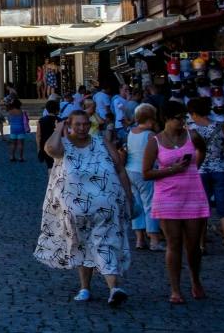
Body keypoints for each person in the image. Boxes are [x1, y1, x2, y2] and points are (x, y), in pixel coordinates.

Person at [35, 107, 135, 305]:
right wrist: (59, 128)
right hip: (75, 211)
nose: (82, 128)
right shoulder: (63, 145)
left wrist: (129, 197)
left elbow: (119, 169)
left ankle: (114, 288)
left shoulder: (101, 141)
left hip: (105, 208)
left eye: (85, 124)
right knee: (81, 246)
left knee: (105, 244)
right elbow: (50, 150)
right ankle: (85, 287)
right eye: (77, 124)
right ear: (69, 126)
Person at [145, 102, 209, 304]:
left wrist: (193, 168)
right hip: (167, 197)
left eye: (184, 118)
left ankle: (195, 279)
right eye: (178, 118)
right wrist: (172, 170)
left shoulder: (193, 136)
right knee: (174, 243)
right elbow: (146, 172)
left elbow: (202, 151)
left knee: (193, 245)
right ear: (167, 119)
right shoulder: (155, 141)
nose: (182, 122)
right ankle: (175, 288)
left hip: (192, 194)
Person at [187, 96, 224, 258]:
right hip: (221, 170)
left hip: (199, 171)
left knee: (202, 210)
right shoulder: (220, 126)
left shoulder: (191, 129)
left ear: (193, 113)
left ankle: (201, 245)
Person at [124, 102, 159, 251]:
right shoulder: (150, 135)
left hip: (130, 171)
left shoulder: (131, 132)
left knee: (137, 203)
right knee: (150, 204)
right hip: (144, 172)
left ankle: (139, 239)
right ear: (151, 119)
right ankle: (154, 240)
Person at [3, 94, 31, 163]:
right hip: (21, 128)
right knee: (21, 144)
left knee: (13, 144)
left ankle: (12, 156)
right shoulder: (21, 111)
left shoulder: (9, 112)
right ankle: (21, 157)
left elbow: (9, 121)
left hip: (13, 129)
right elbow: (26, 120)